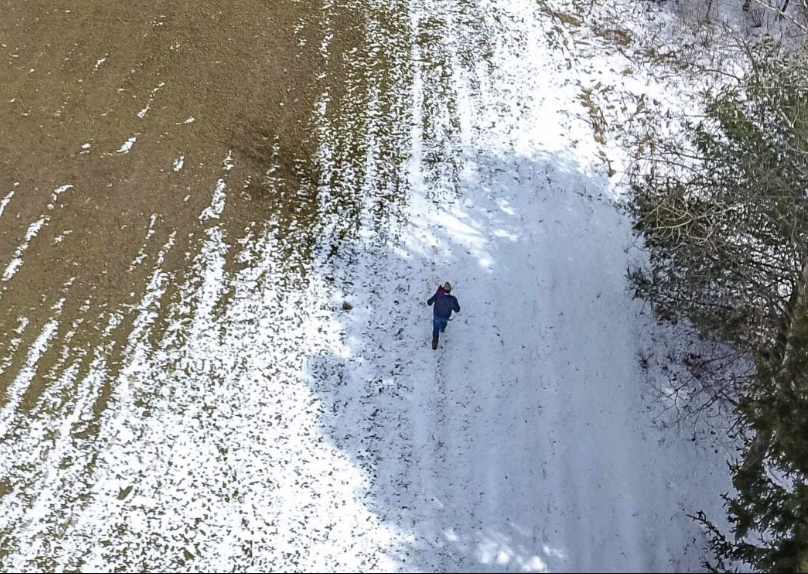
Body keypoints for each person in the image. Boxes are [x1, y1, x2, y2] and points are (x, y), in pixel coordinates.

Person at [427, 282, 460, 350]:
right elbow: (457, 310)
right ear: (450, 290)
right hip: (446, 317)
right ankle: (442, 329)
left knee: (435, 328)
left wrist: (430, 302)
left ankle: (435, 343)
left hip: (437, 315)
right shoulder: (453, 299)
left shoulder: (438, 295)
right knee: (444, 323)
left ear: (443, 289)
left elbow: (429, 302)